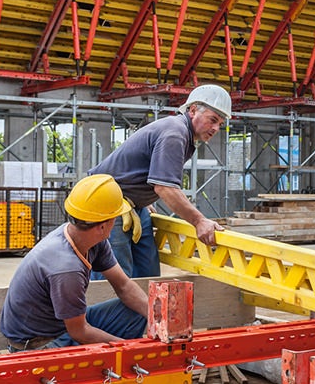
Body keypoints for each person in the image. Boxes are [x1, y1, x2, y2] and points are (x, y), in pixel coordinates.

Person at [0, 173, 149, 384]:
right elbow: (80, 331)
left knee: (135, 312)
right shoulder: (65, 267)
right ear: (103, 225)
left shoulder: (88, 238)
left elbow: (123, 285)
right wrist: (127, 351)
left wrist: (159, 318)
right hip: (36, 346)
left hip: (59, 328)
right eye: (115, 217)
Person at [89, 83, 232, 278]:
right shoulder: (175, 133)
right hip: (106, 202)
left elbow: (147, 171)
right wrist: (199, 221)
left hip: (132, 204)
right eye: (213, 120)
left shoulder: (182, 134)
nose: (215, 128)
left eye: (220, 124)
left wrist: (140, 198)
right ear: (192, 110)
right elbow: (165, 188)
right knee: (114, 277)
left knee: (147, 271)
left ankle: (142, 299)